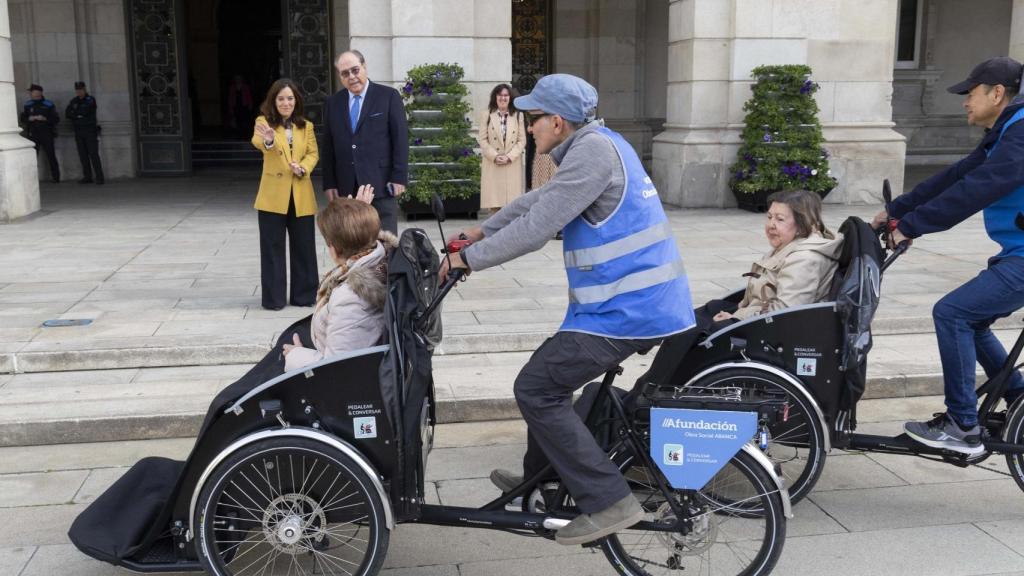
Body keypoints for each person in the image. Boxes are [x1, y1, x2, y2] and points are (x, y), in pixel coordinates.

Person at [439, 74, 695, 546]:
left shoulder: (593, 152)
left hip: (631, 311)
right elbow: (541, 200)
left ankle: (609, 501)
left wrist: (465, 259)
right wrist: (482, 232)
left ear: (557, 122)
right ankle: (542, 479)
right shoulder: (596, 145)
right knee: (546, 372)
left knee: (537, 387)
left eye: (533, 118)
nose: (528, 127)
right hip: (622, 308)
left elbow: (539, 227)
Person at [874, 57, 1024, 456]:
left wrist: (911, 226)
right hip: (1017, 251)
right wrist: (897, 211)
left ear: (996, 93)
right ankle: (1020, 398)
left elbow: (980, 188)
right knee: (971, 321)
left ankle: (962, 426)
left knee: (953, 313)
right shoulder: (1006, 132)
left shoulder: (1021, 132)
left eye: (970, 93)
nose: (963, 102)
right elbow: (957, 176)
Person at [642, 189, 843, 387]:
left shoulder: (804, 259)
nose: (771, 225)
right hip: (759, 315)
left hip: (773, 332)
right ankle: (654, 366)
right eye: (770, 217)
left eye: (780, 219)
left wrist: (737, 318)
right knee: (701, 314)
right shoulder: (792, 245)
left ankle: (651, 388)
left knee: (689, 334)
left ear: (801, 224)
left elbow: (786, 312)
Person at [283, 191, 396, 371]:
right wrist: (358, 220)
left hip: (330, 373)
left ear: (334, 249)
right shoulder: (380, 257)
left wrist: (295, 355)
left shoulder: (350, 298)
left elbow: (335, 368)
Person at [322, 50, 409, 235]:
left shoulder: (388, 96)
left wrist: (399, 177)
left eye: (355, 70)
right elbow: (328, 146)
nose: (351, 77)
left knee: (385, 242)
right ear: (340, 76)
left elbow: (400, 139)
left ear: (364, 67)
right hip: (346, 187)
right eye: (345, 73)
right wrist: (329, 182)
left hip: (381, 183)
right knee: (351, 241)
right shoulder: (333, 103)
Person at [252, 78, 320, 311]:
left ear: (296, 101)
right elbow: (259, 142)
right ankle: (274, 299)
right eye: (281, 98)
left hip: (301, 193)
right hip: (272, 197)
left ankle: (304, 296)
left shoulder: (306, 126)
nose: (286, 103)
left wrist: (303, 168)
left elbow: (313, 153)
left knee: (304, 247)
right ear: (274, 101)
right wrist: (269, 141)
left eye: (290, 98)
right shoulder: (263, 122)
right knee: (272, 248)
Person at [478, 84, 527, 212]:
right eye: (500, 95)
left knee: (511, 206)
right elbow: (482, 139)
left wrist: (509, 157)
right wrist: (495, 156)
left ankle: (509, 231)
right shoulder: (486, 115)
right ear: (495, 97)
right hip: (493, 164)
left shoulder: (517, 115)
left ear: (510, 98)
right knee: (495, 204)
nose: (503, 98)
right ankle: (495, 230)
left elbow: (522, 140)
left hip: (511, 165)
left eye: (506, 95)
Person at [20, 83, 60, 183]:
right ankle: (31, 179)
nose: (30, 93)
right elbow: (23, 118)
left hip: (46, 133)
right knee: (32, 156)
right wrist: (29, 118)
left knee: (51, 155)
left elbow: (56, 119)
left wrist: (44, 118)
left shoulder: (48, 104)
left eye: (32, 91)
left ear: (38, 92)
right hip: (33, 133)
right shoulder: (28, 104)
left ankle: (56, 177)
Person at [66, 81, 104, 185]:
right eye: (77, 90)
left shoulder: (90, 100)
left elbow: (86, 112)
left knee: (93, 154)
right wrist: (78, 115)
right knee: (83, 155)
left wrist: (77, 114)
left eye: (81, 90)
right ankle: (87, 177)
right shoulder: (74, 101)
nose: (79, 92)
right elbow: (68, 114)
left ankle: (99, 177)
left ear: (85, 89)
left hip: (90, 130)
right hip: (79, 131)